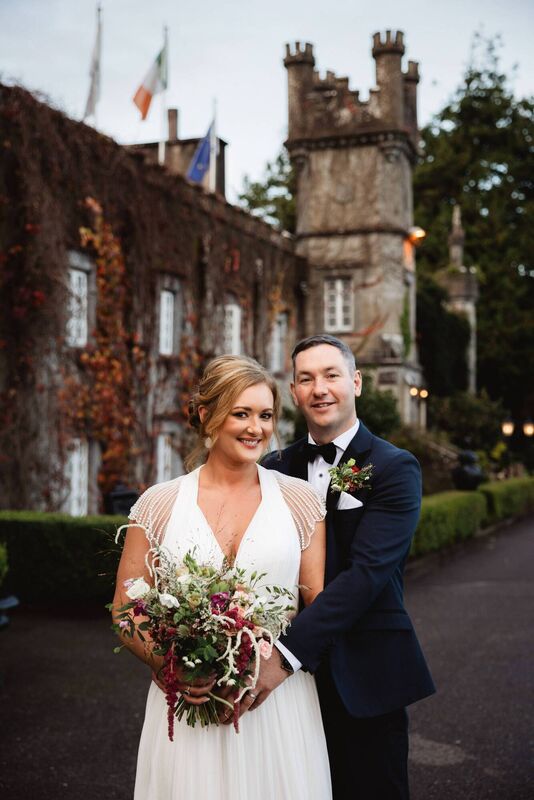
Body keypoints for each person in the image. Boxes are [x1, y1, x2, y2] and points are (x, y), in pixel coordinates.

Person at [112, 354, 332, 800]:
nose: (256, 428)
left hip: (276, 705)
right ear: (207, 415)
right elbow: (125, 609)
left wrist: (274, 665)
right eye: (241, 413)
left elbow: (319, 606)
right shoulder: (160, 504)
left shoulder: (300, 502)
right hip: (187, 705)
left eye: (266, 415)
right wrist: (169, 664)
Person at [256, 334, 436, 800]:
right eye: (306, 378)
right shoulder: (273, 468)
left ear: (355, 382)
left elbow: (366, 576)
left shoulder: (396, 467)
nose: (320, 388)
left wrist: (285, 655)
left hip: (365, 674)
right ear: (293, 391)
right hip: (292, 694)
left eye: (331, 375)